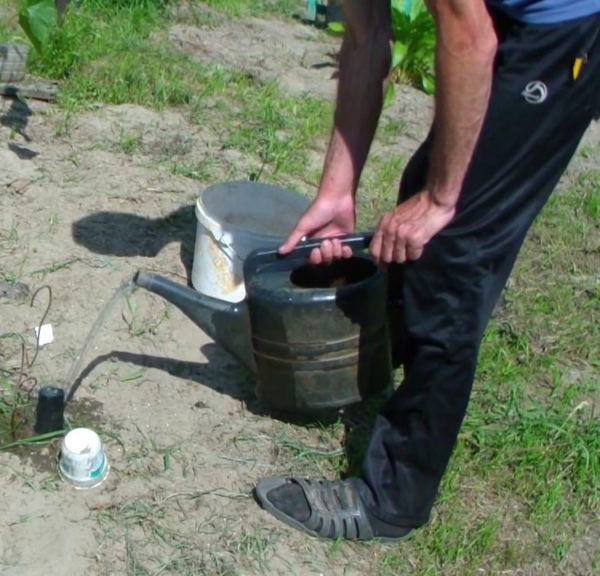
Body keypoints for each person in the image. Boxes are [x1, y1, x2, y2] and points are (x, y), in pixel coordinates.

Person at [253, 0, 600, 540]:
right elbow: (367, 36)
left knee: (452, 249)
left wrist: (442, 202)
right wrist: (337, 192)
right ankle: (376, 362)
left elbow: (469, 36)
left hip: (561, 28)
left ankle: (392, 499)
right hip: (506, 16)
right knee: (423, 185)